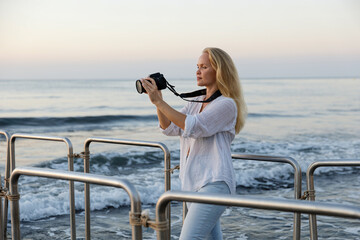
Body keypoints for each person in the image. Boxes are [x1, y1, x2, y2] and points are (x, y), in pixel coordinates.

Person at [140, 47, 247, 239]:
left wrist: (160, 103)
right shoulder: (196, 100)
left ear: (219, 71)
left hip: (215, 182)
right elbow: (170, 128)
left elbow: (195, 127)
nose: (198, 71)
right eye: (197, 66)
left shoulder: (226, 104)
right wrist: (158, 101)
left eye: (204, 67)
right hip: (192, 183)